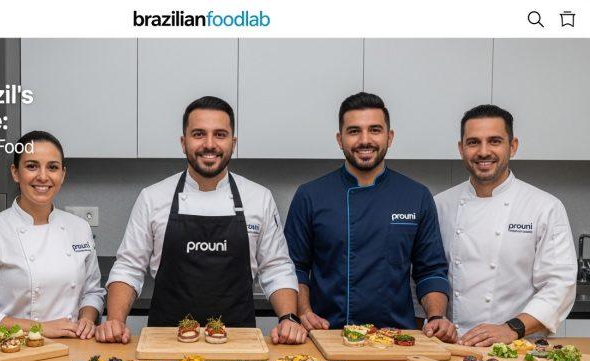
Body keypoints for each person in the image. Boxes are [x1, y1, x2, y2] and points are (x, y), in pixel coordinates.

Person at [96, 96, 307, 345]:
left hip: (239, 343)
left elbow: (277, 268)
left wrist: (289, 319)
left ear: (233, 142)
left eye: (220, 134)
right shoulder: (153, 198)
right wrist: (116, 320)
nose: (209, 144)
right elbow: (129, 267)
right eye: (198, 134)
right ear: (183, 143)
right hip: (166, 343)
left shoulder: (258, 198)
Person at [284, 92, 457, 342]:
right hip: (327, 334)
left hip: (397, 336)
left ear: (390, 136)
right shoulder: (310, 195)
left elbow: (430, 270)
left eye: (375, 130)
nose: (365, 140)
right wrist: (304, 311)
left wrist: (437, 316)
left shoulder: (416, 195)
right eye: (354, 131)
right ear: (340, 139)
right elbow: (294, 266)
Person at [434, 105, 577, 346]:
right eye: (473, 142)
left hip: (518, 347)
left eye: (495, 141)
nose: (483, 151)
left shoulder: (544, 207)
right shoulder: (440, 205)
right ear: (461, 149)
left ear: (513, 146)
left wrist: (511, 329)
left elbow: (560, 285)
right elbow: (424, 275)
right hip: (452, 346)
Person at [0, 131, 106, 339]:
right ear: (15, 173)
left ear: (62, 174)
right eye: (32, 166)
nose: (43, 176)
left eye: (52, 167)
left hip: (73, 345)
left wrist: (87, 319)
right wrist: (39, 328)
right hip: (12, 350)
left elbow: (92, 292)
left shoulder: (79, 228)